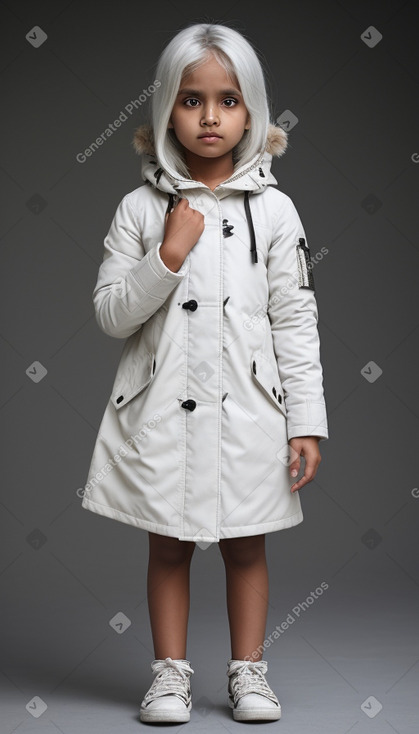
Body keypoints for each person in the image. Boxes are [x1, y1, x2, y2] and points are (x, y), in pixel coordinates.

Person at [81, 21, 329, 725]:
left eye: (227, 100)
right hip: (160, 408)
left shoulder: (275, 212)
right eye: (191, 100)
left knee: (246, 544)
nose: (210, 116)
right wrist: (167, 254)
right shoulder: (138, 208)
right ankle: (168, 676)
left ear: (251, 110)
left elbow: (295, 319)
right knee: (167, 544)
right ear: (164, 108)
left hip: (250, 408)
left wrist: (307, 421)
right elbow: (110, 316)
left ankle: (249, 671)